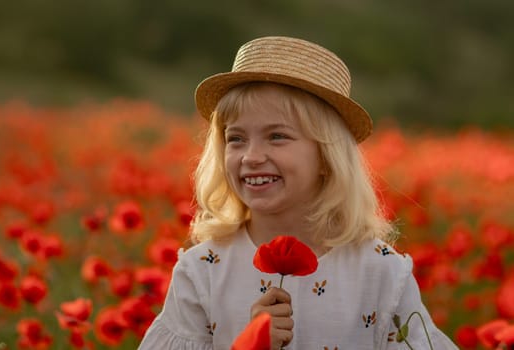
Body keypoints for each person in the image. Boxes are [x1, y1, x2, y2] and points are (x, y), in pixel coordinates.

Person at [138, 36, 458, 349]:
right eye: (236, 139)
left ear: (325, 157)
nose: (251, 156)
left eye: (277, 136)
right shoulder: (203, 271)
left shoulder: (380, 272)